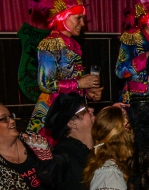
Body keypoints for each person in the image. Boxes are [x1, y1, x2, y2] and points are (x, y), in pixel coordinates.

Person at [26, 0, 101, 134]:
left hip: (70, 109)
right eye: (78, 18)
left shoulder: (73, 45)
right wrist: (79, 84)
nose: (82, 24)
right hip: (53, 113)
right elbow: (45, 84)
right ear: (63, 16)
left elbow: (70, 78)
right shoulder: (51, 44)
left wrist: (87, 92)